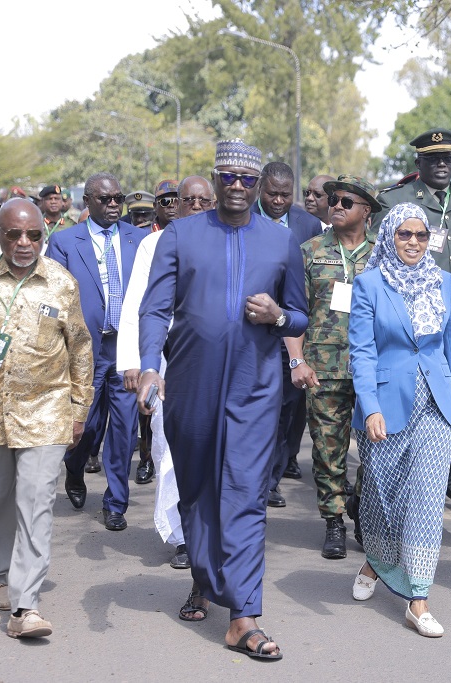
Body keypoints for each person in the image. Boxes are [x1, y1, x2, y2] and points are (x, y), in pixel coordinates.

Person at [137, 139, 307, 660]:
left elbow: (301, 315)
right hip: (192, 385)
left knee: (245, 494)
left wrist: (278, 316)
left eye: (246, 179)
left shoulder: (280, 242)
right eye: (227, 177)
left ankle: (243, 616)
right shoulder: (180, 235)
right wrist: (149, 366)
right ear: (214, 180)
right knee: (197, 490)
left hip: (255, 387)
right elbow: (154, 308)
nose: (237, 186)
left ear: (258, 185)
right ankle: (206, 577)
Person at [0, 199, 94, 638]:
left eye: (33, 235)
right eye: (14, 235)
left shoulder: (61, 283)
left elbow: (80, 348)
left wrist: (79, 409)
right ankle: (0, 573)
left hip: (47, 410)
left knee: (36, 501)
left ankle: (25, 605)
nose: (24, 243)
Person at [348, 202, 451, 638]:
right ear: (389, 236)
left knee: (426, 498)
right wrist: (370, 407)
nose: (413, 242)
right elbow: (362, 351)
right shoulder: (368, 283)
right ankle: (376, 561)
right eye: (404, 234)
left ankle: (417, 598)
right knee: (383, 496)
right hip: (387, 404)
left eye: (421, 235)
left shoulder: (442, 280)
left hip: (437, 405)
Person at [375, 128, 451, 500]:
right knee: (409, 395)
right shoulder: (396, 199)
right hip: (410, 318)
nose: (442, 165)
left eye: (447, 159)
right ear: (419, 162)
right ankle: (387, 481)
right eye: (433, 159)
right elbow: (381, 258)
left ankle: (444, 461)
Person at [46, 173, 149, 530]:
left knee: (124, 429)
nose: (113, 205)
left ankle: (115, 501)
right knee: (86, 426)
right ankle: (74, 469)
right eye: (105, 199)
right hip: (84, 350)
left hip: (126, 350)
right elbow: (53, 297)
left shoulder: (139, 239)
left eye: (118, 198)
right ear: (87, 201)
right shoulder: (64, 241)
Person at [284, 175, 380, 559]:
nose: (336, 206)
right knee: (327, 450)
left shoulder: (384, 253)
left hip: (373, 367)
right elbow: (295, 311)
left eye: (346, 201)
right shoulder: (310, 251)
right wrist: (297, 360)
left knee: (376, 448)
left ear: (366, 210)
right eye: (333, 200)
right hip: (323, 367)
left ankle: (363, 509)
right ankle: (334, 520)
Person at [115, 194, 187, 569]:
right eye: (187, 200)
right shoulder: (154, 244)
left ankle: (213, 530)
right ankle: (181, 535)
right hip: (165, 361)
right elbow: (137, 305)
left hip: (219, 364)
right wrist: (135, 363)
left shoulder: (232, 239)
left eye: (202, 200)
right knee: (168, 444)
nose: (193, 206)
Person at [254, 161, 321, 505]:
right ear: (260, 189)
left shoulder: (308, 225)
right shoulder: (244, 217)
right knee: (257, 412)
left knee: (286, 412)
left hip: (293, 331)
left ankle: (271, 480)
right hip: (253, 332)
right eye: (272, 194)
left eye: (285, 194)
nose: (279, 201)